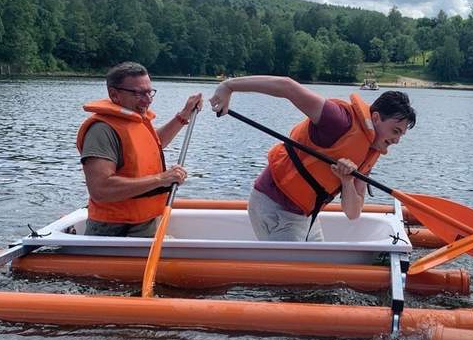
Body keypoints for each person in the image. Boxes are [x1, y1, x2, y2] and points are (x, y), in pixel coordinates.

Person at [209, 75, 416, 242]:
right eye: (395, 131)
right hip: (274, 206)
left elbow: (353, 213)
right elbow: (288, 87)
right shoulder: (338, 120)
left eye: (400, 135)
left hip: (305, 216)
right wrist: (229, 86)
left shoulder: (369, 152)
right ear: (377, 118)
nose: (396, 140)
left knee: (320, 280)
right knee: (300, 285)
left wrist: (347, 182)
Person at [77, 62, 202, 237]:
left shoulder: (135, 120)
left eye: (149, 92)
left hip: (144, 221)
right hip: (116, 229)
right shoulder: (101, 131)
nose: (148, 99)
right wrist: (161, 178)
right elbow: (101, 189)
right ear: (114, 94)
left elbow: (152, 144)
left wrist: (184, 115)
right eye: (139, 93)